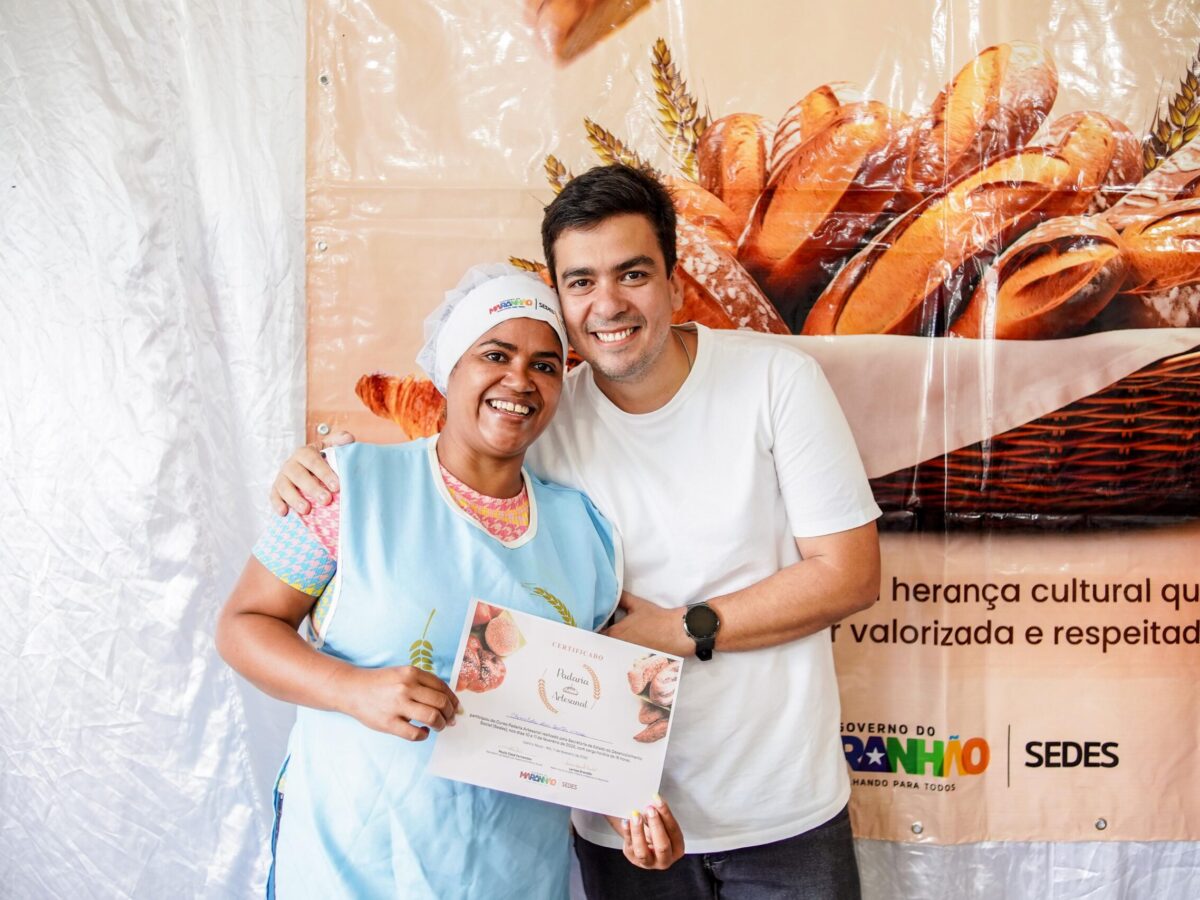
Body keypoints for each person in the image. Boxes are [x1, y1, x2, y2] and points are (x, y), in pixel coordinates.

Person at [273, 166, 882, 898]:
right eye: (581, 282)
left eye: (633, 274)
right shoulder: (543, 415)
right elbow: (444, 477)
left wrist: (674, 630)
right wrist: (316, 473)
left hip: (779, 806)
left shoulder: (776, 381)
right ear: (560, 299)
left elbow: (849, 574)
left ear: (675, 284)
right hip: (616, 813)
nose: (608, 303)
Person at [217, 263, 684, 899]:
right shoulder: (346, 488)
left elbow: (575, 714)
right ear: (449, 367)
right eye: (495, 354)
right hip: (353, 865)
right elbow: (243, 625)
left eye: (546, 365)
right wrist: (350, 689)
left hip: (514, 874)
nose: (520, 379)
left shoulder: (585, 532)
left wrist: (627, 805)